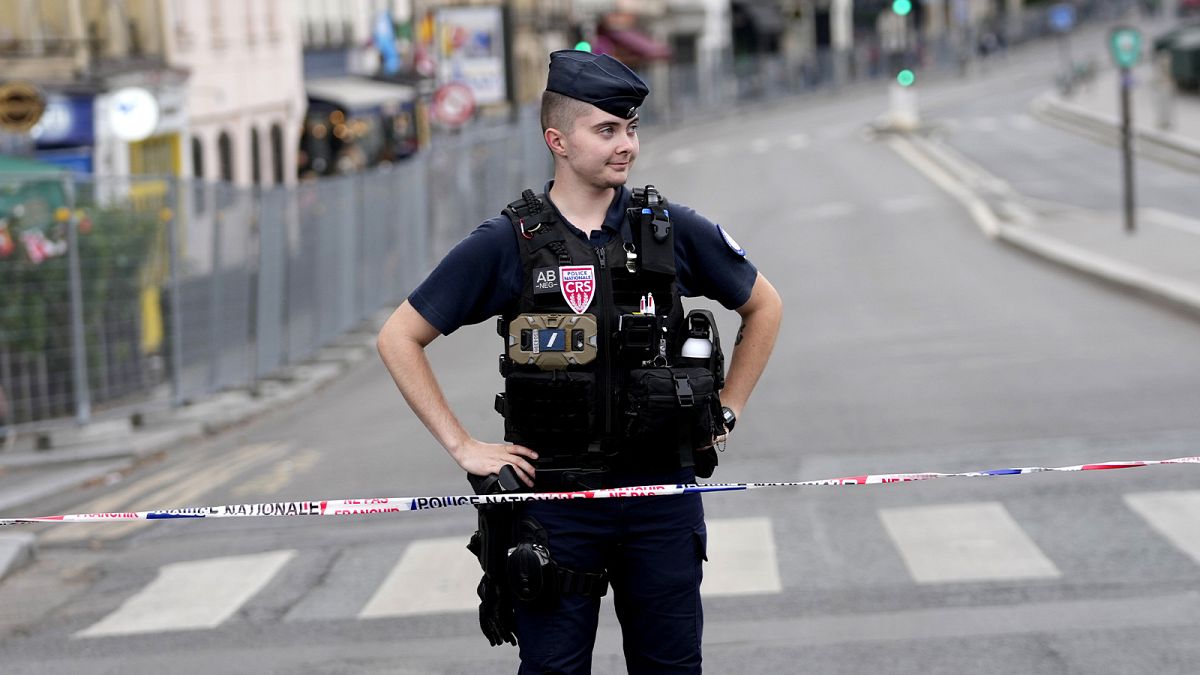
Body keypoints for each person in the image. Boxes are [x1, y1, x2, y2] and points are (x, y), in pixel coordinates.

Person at [377, 49, 782, 674]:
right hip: (556, 504)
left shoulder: (668, 230)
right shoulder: (509, 242)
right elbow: (399, 337)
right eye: (607, 129)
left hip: (660, 497)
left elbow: (764, 306)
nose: (626, 145)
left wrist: (726, 412)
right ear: (557, 140)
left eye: (632, 127)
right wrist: (463, 446)